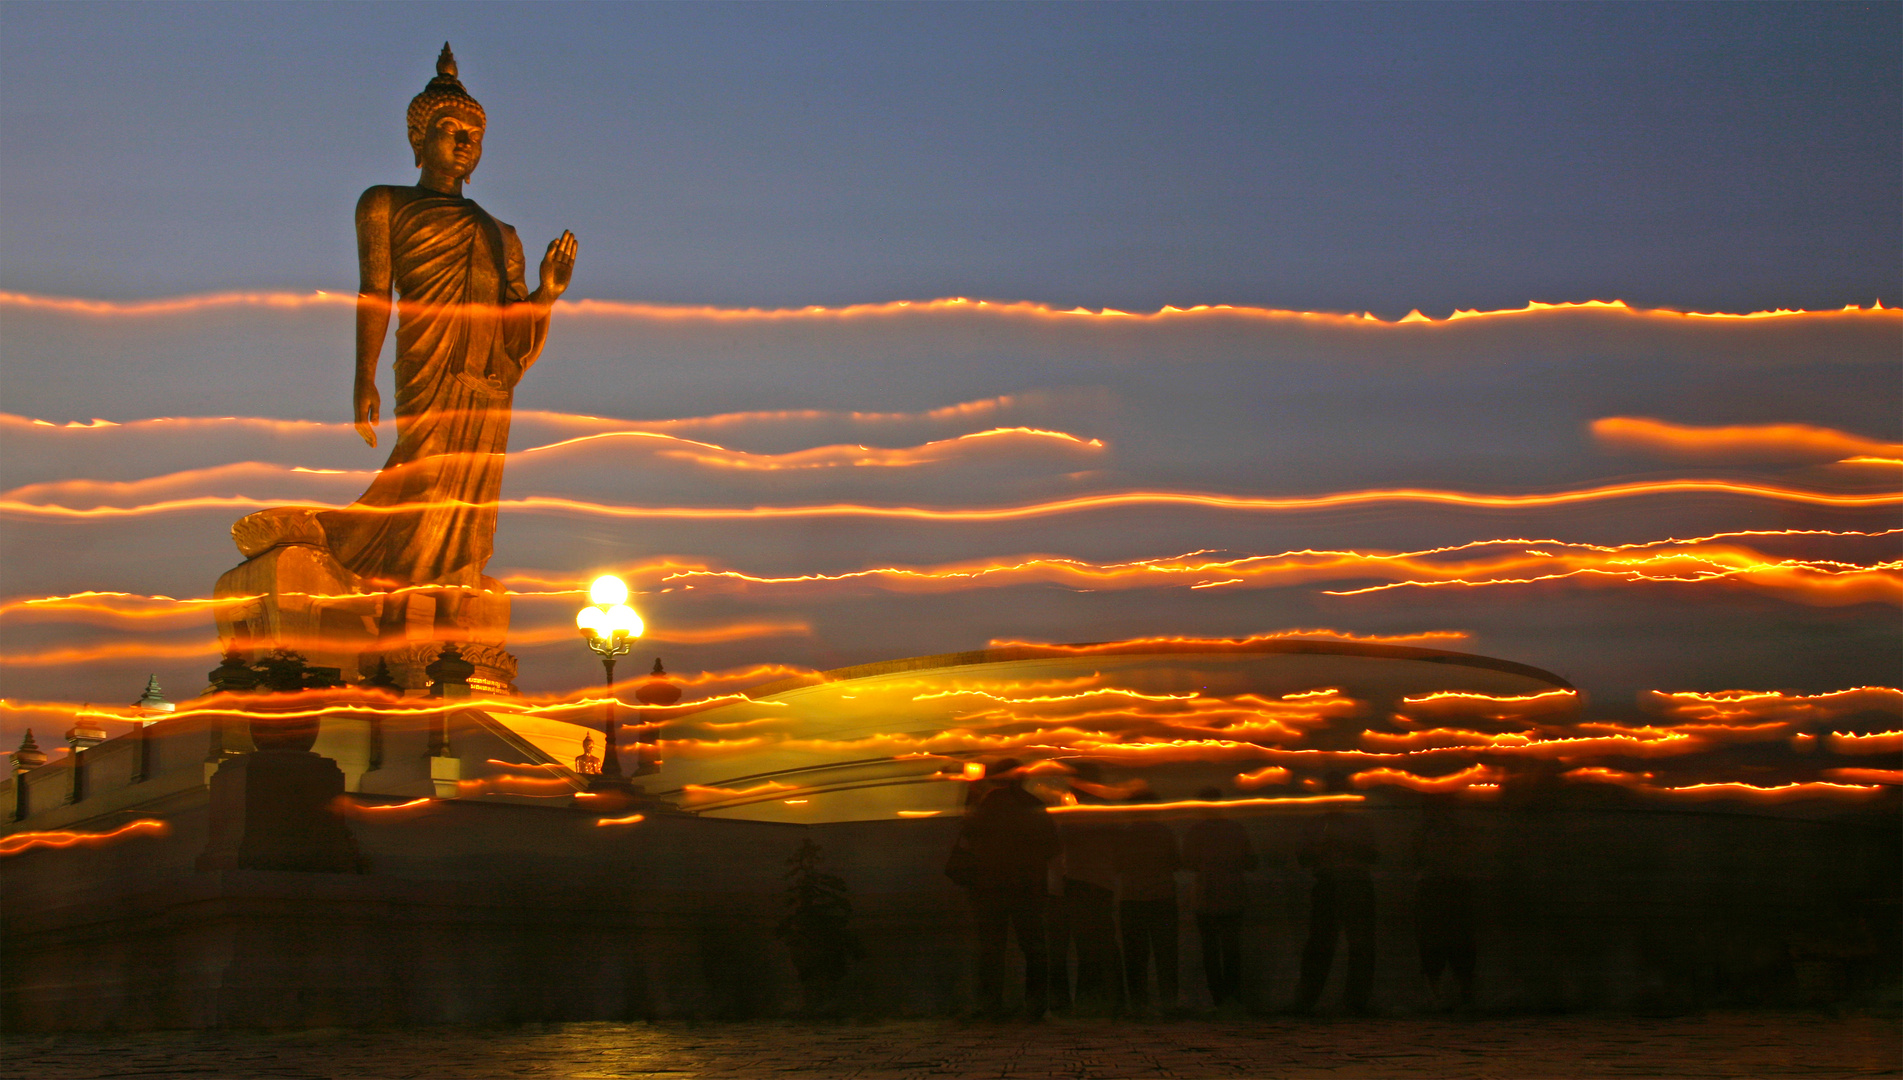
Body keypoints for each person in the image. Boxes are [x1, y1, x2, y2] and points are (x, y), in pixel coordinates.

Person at [318, 43, 577, 634]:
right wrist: (363, 374)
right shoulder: (383, 204)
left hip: (486, 382)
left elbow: (516, 330)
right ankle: (397, 601)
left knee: (471, 493)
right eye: (449, 129)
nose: (463, 142)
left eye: (473, 136)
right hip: (427, 362)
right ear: (417, 139)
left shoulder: (500, 233)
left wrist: (546, 295)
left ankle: (455, 607)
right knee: (426, 472)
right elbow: (374, 292)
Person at [948, 760, 1060, 1019]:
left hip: (990, 885)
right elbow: (1052, 847)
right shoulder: (1033, 805)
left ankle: (990, 1003)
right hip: (1027, 885)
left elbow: (969, 835)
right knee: (1033, 946)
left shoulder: (987, 805)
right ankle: (1035, 1003)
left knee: (991, 947)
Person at [1296, 775, 1379, 1014]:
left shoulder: (1349, 824)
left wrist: (1341, 848)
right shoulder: (1324, 824)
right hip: (1339, 882)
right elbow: (1302, 858)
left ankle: (1346, 1000)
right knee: (1327, 943)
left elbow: (1373, 855)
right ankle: (1319, 999)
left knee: (1347, 944)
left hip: (1344, 881)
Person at [1049, 770, 1126, 1015]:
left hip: (1078, 882)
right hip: (1103, 883)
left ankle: (1088, 999)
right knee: (1104, 943)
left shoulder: (1073, 816)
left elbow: (1057, 847)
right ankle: (1111, 999)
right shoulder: (1109, 815)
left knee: (1085, 946)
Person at [1183, 786, 1258, 1010]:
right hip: (1233, 894)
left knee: (1210, 951)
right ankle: (1233, 996)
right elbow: (1251, 862)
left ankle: (1217, 998)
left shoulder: (1196, 831)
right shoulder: (1236, 829)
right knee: (1232, 950)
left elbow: (1187, 862)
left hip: (1206, 896)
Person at [1116, 793, 1182, 1013]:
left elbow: (1117, 865)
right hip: (1162, 897)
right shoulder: (1165, 833)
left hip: (1132, 898)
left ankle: (1138, 1003)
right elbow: (1176, 862)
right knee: (1166, 955)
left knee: (1135, 957)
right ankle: (1169, 1002)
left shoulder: (1125, 835)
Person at [1413, 795, 1477, 1010]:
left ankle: (1439, 993)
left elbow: (1413, 859)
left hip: (1436, 885)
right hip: (1451, 885)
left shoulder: (1424, 832)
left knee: (1436, 942)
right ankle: (1459, 993)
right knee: (1457, 941)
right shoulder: (1456, 831)